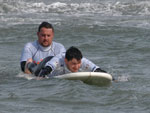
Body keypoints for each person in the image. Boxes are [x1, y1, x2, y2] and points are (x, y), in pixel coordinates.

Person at [36, 46, 107, 77]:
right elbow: (46, 70)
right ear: (66, 61)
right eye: (73, 64)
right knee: (35, 71)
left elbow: (97, 70)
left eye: (79, 63)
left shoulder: (82, 60)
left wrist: (112, 79)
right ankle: (30, 63)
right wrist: (40, 78)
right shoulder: (58, 60)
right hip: (46, 62)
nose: (77, 66)